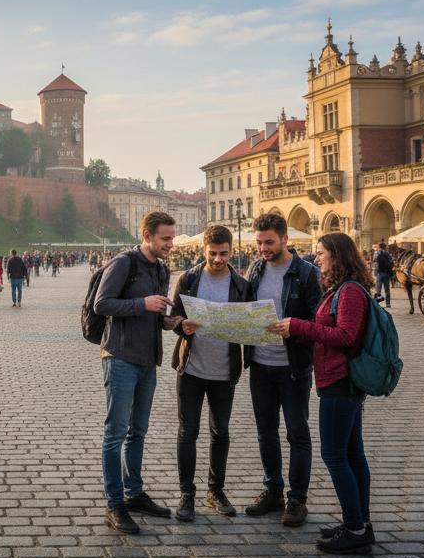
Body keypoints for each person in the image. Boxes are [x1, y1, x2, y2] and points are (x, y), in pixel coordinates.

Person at [269, 232, 374, 555]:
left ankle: (356, 528)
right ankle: (358, 523)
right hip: (340, 382)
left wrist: (298, 327)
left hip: (340, 383)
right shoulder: (341, 289)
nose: (317, 258)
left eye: (321, 253)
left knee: (335, 455)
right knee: (353, 454)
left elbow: (344, 335)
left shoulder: (351, 291)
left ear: (337, 256)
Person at [93, 211, 180, 534]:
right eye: (165, 238)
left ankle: (134, 493)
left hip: (148, 359)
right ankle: (114, 503)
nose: (170, 243)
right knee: (115, 432)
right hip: (120, 356)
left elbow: (155, 314)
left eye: (171, 238)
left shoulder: (161, 268)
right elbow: (102, 304)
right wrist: (142, 305)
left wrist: (168, 322)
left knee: (138, 432)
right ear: (147, 235)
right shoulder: (123, 263)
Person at [243, 213, 323, 528]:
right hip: (260, 365)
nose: (263, 248)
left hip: (293, 367)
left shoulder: (306, 274)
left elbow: (319, 322)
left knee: (297, 433)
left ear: (285, 239)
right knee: (265, 432)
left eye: (269, 242)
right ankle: (273, 490)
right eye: (259, 242)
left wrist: (295, 329)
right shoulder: (256, 269)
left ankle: (298, 499)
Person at [171, 224, 250, 522]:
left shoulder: (241, 285)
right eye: (213, 254)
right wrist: (182, 325)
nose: (218, 259)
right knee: (187, 431)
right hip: (191, 367)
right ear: (204, 251)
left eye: (224, 253)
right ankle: (186, 494)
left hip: (224, 370)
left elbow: (249, 323)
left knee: (221, 432)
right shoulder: (188, 279)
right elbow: (172, 317)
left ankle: (215, 491)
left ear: (232, 251)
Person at [372, 242, 393, 308]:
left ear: (379, 247)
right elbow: (391, 262)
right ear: (385, 247)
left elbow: (374, 262)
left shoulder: (377, 253)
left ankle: (378, 304)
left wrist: (375, 272)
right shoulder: (388, 254)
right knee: (387, 290)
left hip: (379, 273)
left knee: (378, 289)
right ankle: (388, 304)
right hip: (386, 273)